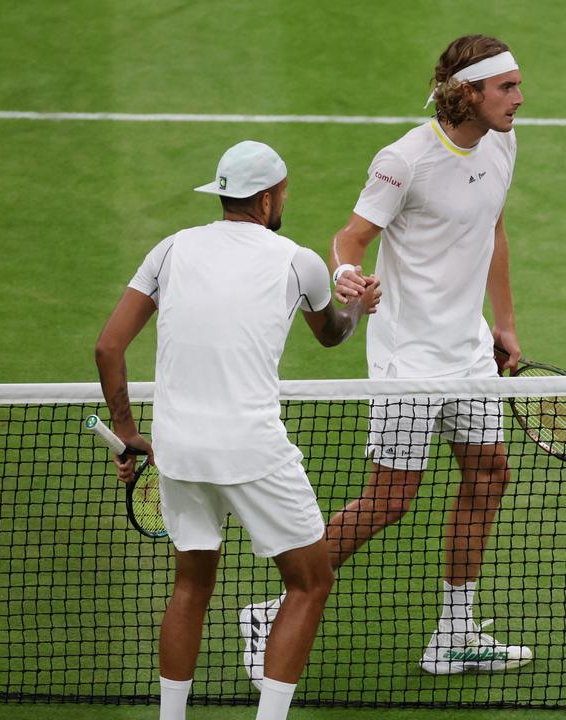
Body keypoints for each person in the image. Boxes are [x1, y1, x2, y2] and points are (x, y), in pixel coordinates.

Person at [242, 34, 531, 679]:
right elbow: (351, 238)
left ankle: (454, 635)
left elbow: (494, 229)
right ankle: (271, 609)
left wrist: (504, 324)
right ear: (469, 92)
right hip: (409, 360)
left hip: (469, 352)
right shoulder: (404, 161)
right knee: (390, 499)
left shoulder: (503, 142)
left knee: (488, 478)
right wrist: (347, 276)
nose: (519, 97)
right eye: (506, 87)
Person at [95, 140, 379, 720]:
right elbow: (331, 335)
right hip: (252, 451)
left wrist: (128, 433)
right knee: (310, 582)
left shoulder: (171, 249)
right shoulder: (297, 260)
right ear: (270, 197)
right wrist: (360, 306)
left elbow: (108, 347)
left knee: (191, 586)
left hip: (177, 449)